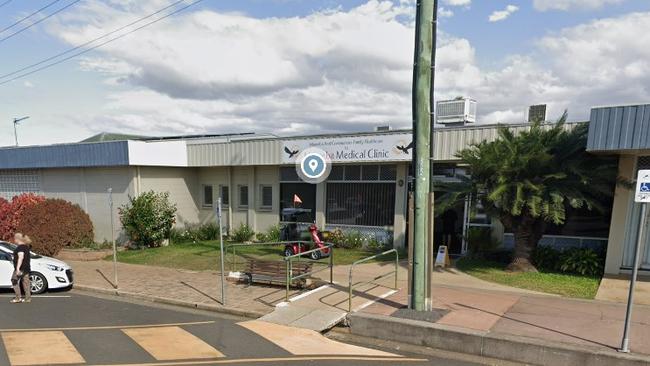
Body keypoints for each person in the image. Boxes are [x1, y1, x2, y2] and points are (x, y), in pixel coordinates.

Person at [11, 233, 32, 304]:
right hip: (26, 268)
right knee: (26, 283)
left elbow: (21, 257)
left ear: (17, 239)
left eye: (14, 239)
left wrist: (17, 268)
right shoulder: (26, 247)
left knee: (14, 280)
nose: (14, 240)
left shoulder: (20, 248)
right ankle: (27, 298)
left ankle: (18, 297)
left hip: (21, 268)